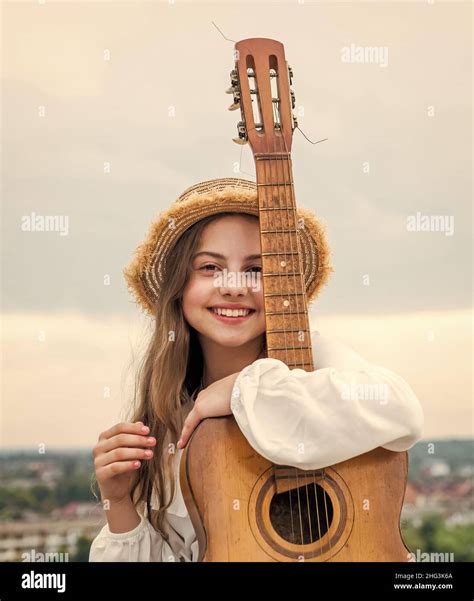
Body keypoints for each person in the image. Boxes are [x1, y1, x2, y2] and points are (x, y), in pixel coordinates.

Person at [88, 177, 424, 562]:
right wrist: (118, 502)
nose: (233, 287)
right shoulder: (167, 420)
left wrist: (240, 391)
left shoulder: (314, 358)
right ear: (179, 287)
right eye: (211, 267)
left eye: (256, 269)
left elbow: (402, 411)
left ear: (283, 287)